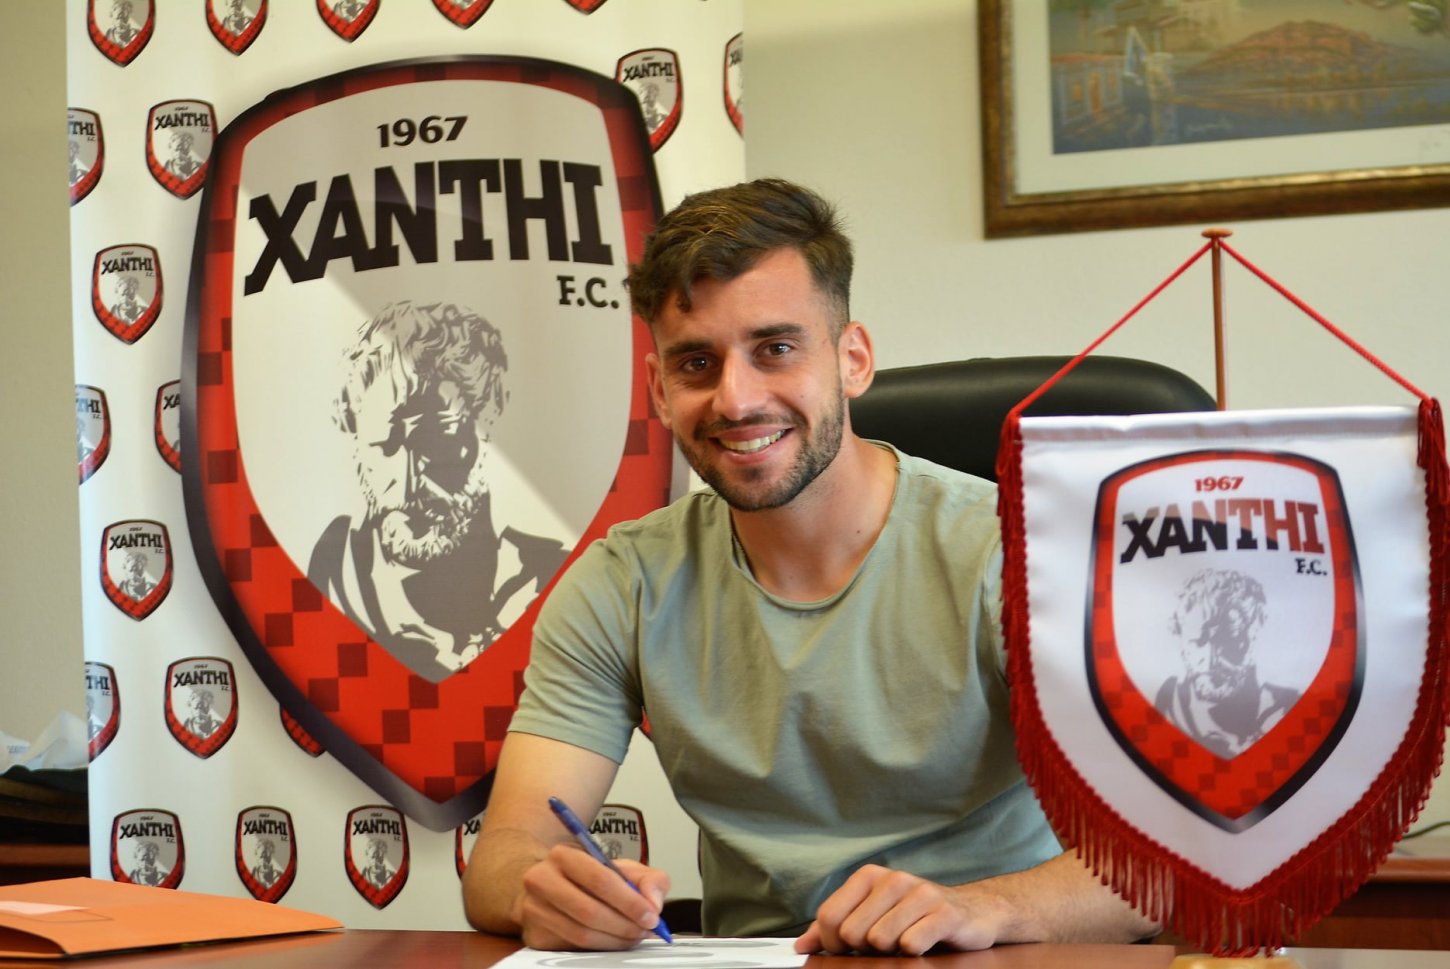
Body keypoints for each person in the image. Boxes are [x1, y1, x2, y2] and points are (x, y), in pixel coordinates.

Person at [461, 179, 1157, 953]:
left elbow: (1165, 857)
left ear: (853, 359)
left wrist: (982, 909)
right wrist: (540, 889)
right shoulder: (621, 582)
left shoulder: (1018, 553)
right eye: (697, 362)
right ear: (659, 388)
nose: (735, 399)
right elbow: (503, 853)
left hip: (996, 955)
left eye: (776, 349)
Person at [308, 300, 567, 683]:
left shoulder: (550, 577)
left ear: (487, 427)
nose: (409, 484)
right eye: (385, 446)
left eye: (437, 441)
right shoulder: (330, 581)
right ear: (356, 440)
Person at [1154, 568, 1298, 758]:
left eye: (1228, 639)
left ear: (1253, 634)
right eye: (1198, 642)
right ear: (1181, 641)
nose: (1211, 661)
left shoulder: (1285, 707)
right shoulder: (1168, 707)